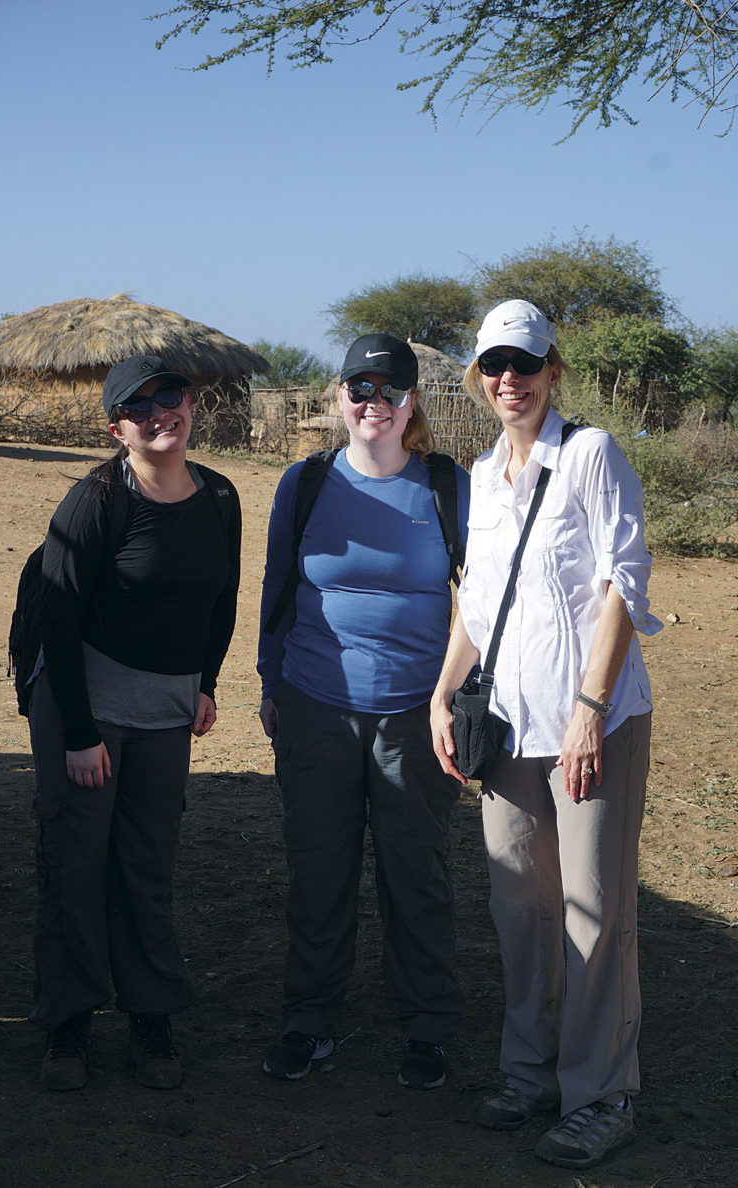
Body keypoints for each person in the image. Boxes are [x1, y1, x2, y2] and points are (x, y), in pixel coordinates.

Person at [430, 300, 662, 1170]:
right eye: (494, 365)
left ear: (552, 370)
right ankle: (529, 1072)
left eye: (524, 364)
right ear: (478, 377)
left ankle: (601, 1093)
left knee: (594, 911)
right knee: (520, 905)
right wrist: (442, 691)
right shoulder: (482, 474)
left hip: (589, 726)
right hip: (508, 729)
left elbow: (624, 587)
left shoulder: (592, 454)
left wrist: (589, 710)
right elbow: (478, 609)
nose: (508, 380)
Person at [258, 333, 469, 1088]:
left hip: (417, 713)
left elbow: (477, 604)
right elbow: (279, 586)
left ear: (413, 403)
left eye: (389, 390)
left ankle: (426, 1029)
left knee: (418, 874)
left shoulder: (448, 486)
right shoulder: (305, 483)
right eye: (359, 389)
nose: (372, 403)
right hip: (316, 705)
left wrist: (459, 701)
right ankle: (308, 1022)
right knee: (319, 871)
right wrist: (270, 683)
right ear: (337, 399)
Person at [28, 355, 241, 1091]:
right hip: (86, 711)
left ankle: (151, 1017)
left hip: (164, 714)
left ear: (190, 405)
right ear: (115, 427)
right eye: (139, 406)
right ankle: (68, 1024)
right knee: (76, 865)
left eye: (171, 397)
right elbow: (57, 617)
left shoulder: (219, 495)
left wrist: (205, 686)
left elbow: (222, 600)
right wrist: (81, 733)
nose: (161, 414)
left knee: (147, 867)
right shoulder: (92, 501)